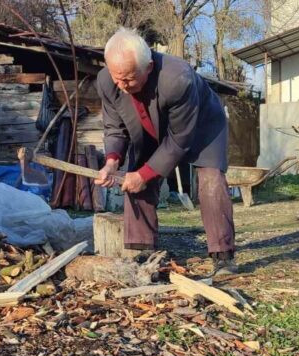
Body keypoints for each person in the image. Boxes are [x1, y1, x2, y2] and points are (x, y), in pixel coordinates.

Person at [94, 27, 237, 275]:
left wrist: (146, 174)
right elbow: (114, 128)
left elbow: (179, 140)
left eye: (128, 78)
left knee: (211, 180)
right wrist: (111, 161)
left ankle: (222, 254)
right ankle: (143, 251)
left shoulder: (177, 78)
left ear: (148, 67)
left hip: (203, 125)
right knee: (135, 175)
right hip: (148, 126)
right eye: (116, 76)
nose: (121, 85)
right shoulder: (108, 81)